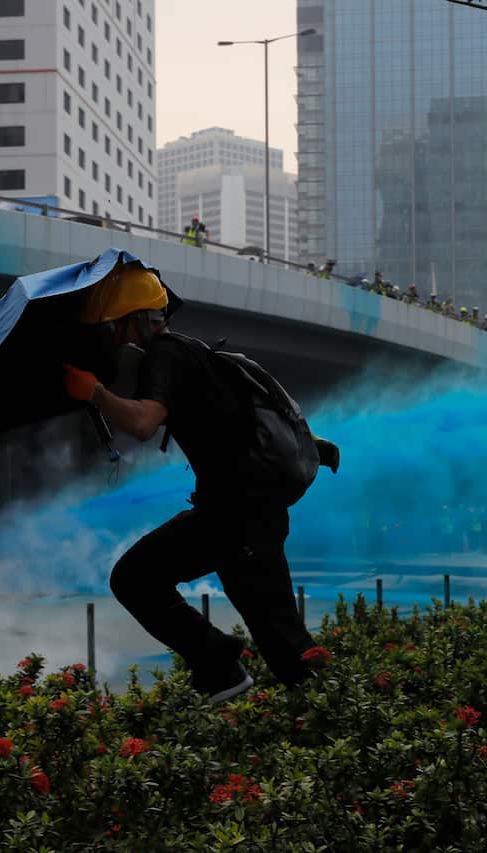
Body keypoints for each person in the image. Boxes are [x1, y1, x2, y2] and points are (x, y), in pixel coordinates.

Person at [60, 266, 326, 702]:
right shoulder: (194, 353)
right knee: (135, 578)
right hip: (225, 516)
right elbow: (240, 417)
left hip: (242, 520)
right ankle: (219, 664)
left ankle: (338, 718)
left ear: (137, 320)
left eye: (116, 325)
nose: (114, 336)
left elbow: (145, 423)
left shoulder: (164, 355)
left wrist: (95, 393)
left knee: (286, 645)